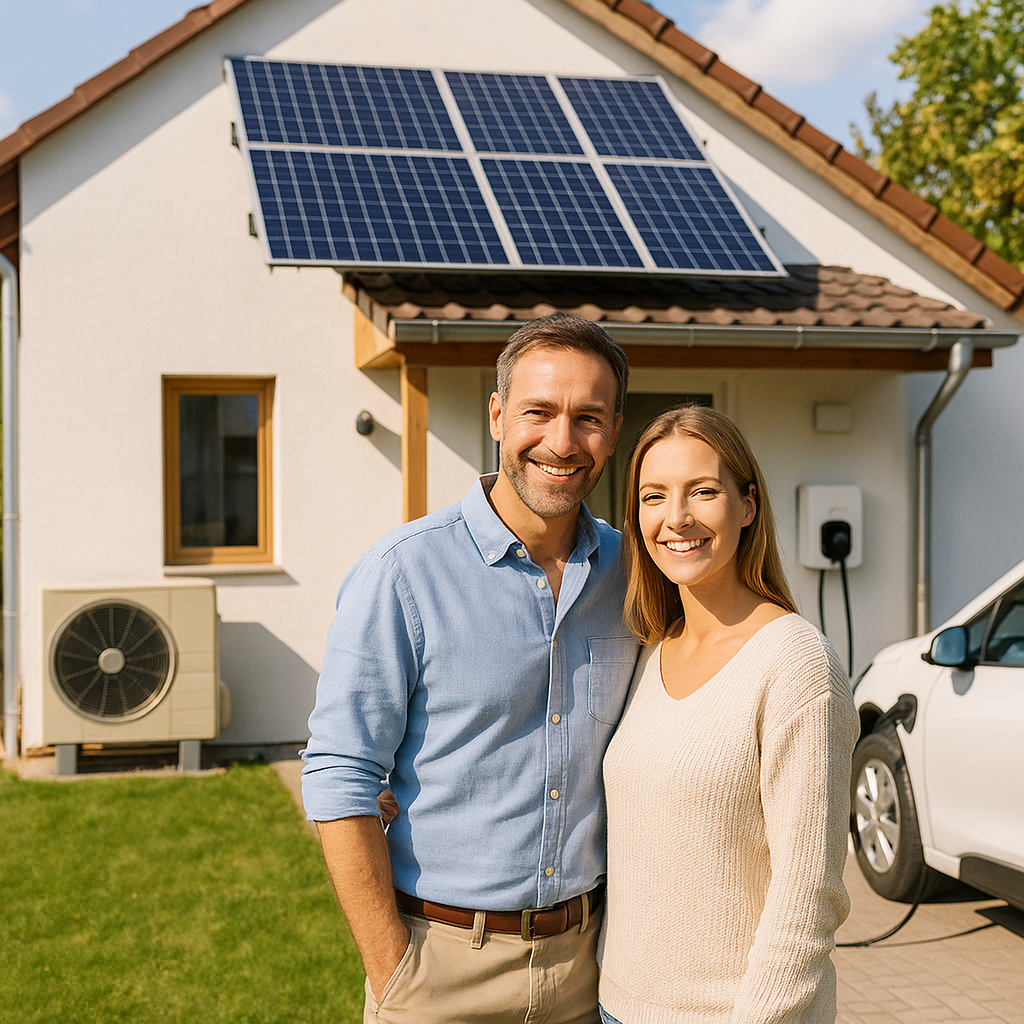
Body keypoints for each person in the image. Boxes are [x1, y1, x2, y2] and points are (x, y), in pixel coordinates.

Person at [301, 312, 639, 1024]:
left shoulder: (634, 575)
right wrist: (392, 968)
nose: (561, 441)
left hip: (590, 971)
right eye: (538, 412)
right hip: (437, 970)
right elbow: (339, 771)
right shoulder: (404, 573)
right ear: (497, 415)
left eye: (588, 418)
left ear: (612, 432)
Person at [597, 406, 858, 1024]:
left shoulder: (796, 664)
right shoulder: (651, 650)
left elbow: (809, 894)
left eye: (702, 491)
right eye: (654, 496)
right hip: (616, 1008)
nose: (676, 518)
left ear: (748, 505)